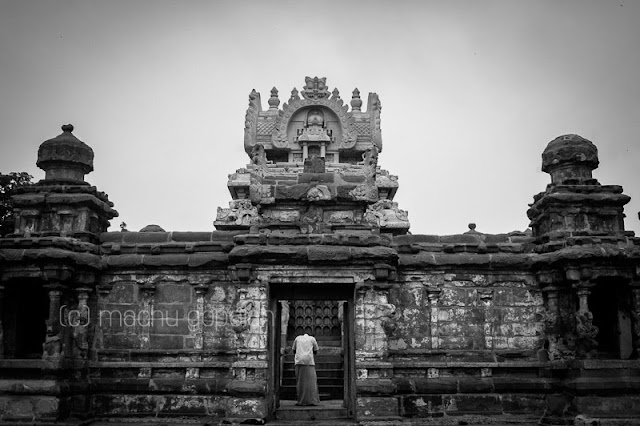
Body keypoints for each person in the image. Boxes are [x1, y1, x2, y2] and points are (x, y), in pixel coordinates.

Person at [291, 333, 320, 406]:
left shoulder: (297, 338)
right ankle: (311, 400)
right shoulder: (312, 339)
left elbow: (293, 350)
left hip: (299, 361)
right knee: (311, 382)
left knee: (300, 381)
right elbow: (316, 351)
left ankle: (301, 400)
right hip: (309, 361)